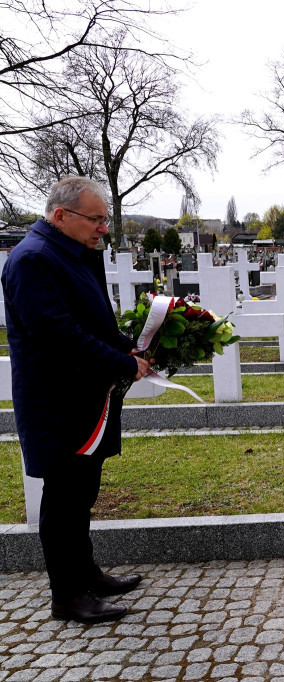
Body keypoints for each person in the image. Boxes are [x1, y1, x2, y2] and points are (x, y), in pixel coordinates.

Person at [2, 176, 150, 624]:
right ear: (61, 215)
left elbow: (93, 318)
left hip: (86, 396)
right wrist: (123, 365)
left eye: (105, 219)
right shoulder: (32, 260)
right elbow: (59, 335)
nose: (104, 228)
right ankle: (66, 595)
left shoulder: (73, 253)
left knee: (81, 492)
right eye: (96, 219)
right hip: (57, 401)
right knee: (63, 499)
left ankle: (87, 573)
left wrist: (128, 346)